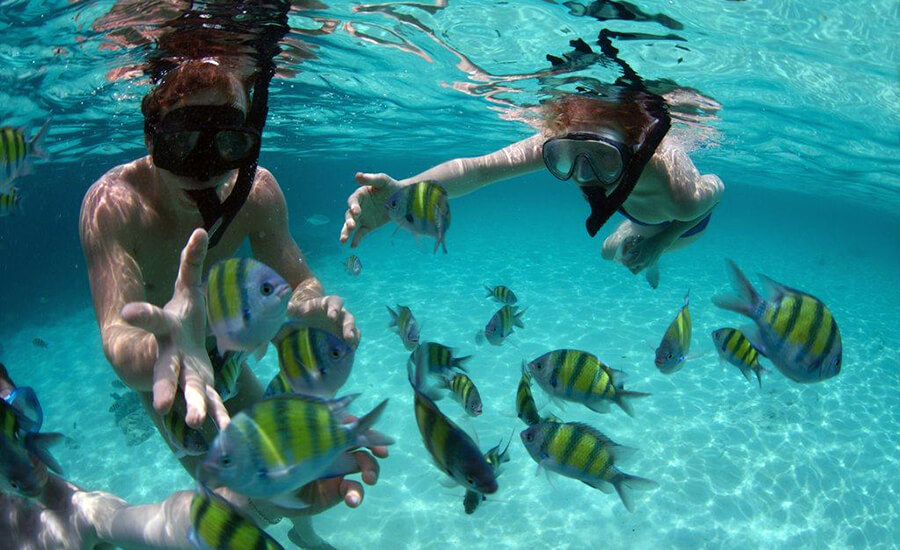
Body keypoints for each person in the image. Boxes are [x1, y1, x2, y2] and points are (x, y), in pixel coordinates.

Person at [79, 60, 386, 547]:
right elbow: (119, 339)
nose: (203, 168)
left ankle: (303, 529)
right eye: (182, 142)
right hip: (166, 371)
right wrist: (166, 349)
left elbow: (300, 282)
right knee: (235, 503)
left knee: (287, 469)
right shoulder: (114, 206)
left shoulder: (256, 191)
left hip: (228, 348)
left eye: (226, 143)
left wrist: (307, 307)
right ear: (150, 139)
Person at [340, 90, 724, 288]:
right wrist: (401, 193)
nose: (583, 175)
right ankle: (643, 239)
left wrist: (662, 241)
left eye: (604, 159)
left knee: (632, 250)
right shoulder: (572, 138)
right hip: (639, 212)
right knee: (609, 253)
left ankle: (654, 247)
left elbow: (716, 192)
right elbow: (479, 170)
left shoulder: (676, 191)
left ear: (633, 151)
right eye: (566, 158)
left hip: (684, 223)